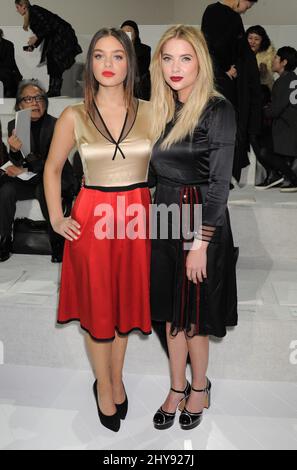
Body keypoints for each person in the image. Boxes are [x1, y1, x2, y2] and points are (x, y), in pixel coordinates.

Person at [44, 28, 153, 433]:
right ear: (89, 63)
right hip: (92, 220)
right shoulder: (74, 115)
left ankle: (116, 377)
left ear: (130, 63)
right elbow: (52, 170)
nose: (109, 64)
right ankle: (103, 386)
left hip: (137, 219)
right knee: (98, 311)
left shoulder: (151, 110)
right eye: (100, 56)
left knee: (125, 309)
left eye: (118, 56)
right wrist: (56, 218)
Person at [149, 25, 237, 431]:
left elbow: (219, 185)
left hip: (199, 219)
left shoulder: (217, 109)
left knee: (195, 315)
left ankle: (199, 387)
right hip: (165, 215)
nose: (175, 67)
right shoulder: (161, 109)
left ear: (200, 61)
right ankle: (175, 385)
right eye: (168, 58)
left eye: (185, 58)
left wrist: (200, 244)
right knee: (170, 311)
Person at [0, 79, 75, 263]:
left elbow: (52, 163)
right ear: (19, 104)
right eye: (28, 99)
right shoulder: (15, 124)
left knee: (44, 189)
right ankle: (3, 243)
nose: (35, 102)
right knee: (6, 190)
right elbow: (18, 160)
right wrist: (15, 152)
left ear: (46, 102)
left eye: (39, 98)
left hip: (56, 178)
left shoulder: (57, 124)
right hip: (31, 178)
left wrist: (23, 169)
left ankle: (59, 245)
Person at [201, 0, 261, 182]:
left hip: (219, 80)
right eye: (247, 7)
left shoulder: (217, 13)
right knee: (224, 128)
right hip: (222, 83)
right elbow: (214, 48)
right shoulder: (225, 16)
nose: (245, 11)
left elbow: (214, 47)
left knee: (220, 129)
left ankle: (219, 173)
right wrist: (224, 72)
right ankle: (220, 173)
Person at [15, 0, 82, 97]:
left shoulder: (35, 11)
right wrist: (33, 45)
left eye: (17, 7)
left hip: (62, 35)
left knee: (54, 60)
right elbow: (44, 31)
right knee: (52, 60)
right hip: (58, 36)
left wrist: (36, 37)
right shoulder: (33, 13)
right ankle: (53, 90)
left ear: (23, 6)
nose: (17, 10)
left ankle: (54, 90)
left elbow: (47, 27)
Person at [257, 47, 297, 192]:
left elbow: (275, 110)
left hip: (286, 130)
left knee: (264, 152)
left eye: (276, 58)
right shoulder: (293, 79)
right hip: (290, 128)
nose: (273, 61)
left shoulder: (282, 82)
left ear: (284, 62)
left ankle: (291, 178)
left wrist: (261, 111)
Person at [246, 25, 277, 188]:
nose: (252, 41)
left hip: (263, 98)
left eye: (256, 39)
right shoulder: (241, 53)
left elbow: (268, 78)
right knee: (252, 137)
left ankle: (274, 171)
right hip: (247, 99)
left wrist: (263, 72)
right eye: (250, 37)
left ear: (262, 41)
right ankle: (272, 171)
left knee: (260, 138)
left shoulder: (269, 54)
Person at [121, 20, 151, 100]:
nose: (127, 33)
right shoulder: (117, 49)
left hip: (140, 86)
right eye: (124, 31)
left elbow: (143, 68)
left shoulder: (145, 49)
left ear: (136, 33)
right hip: (122, 85)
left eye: (129, 31)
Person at [0, 29, 22, 97]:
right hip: (3, 70)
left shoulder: (8, 44)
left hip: (7, 70)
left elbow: (9, 62)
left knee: (5, 74)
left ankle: (8, 93)